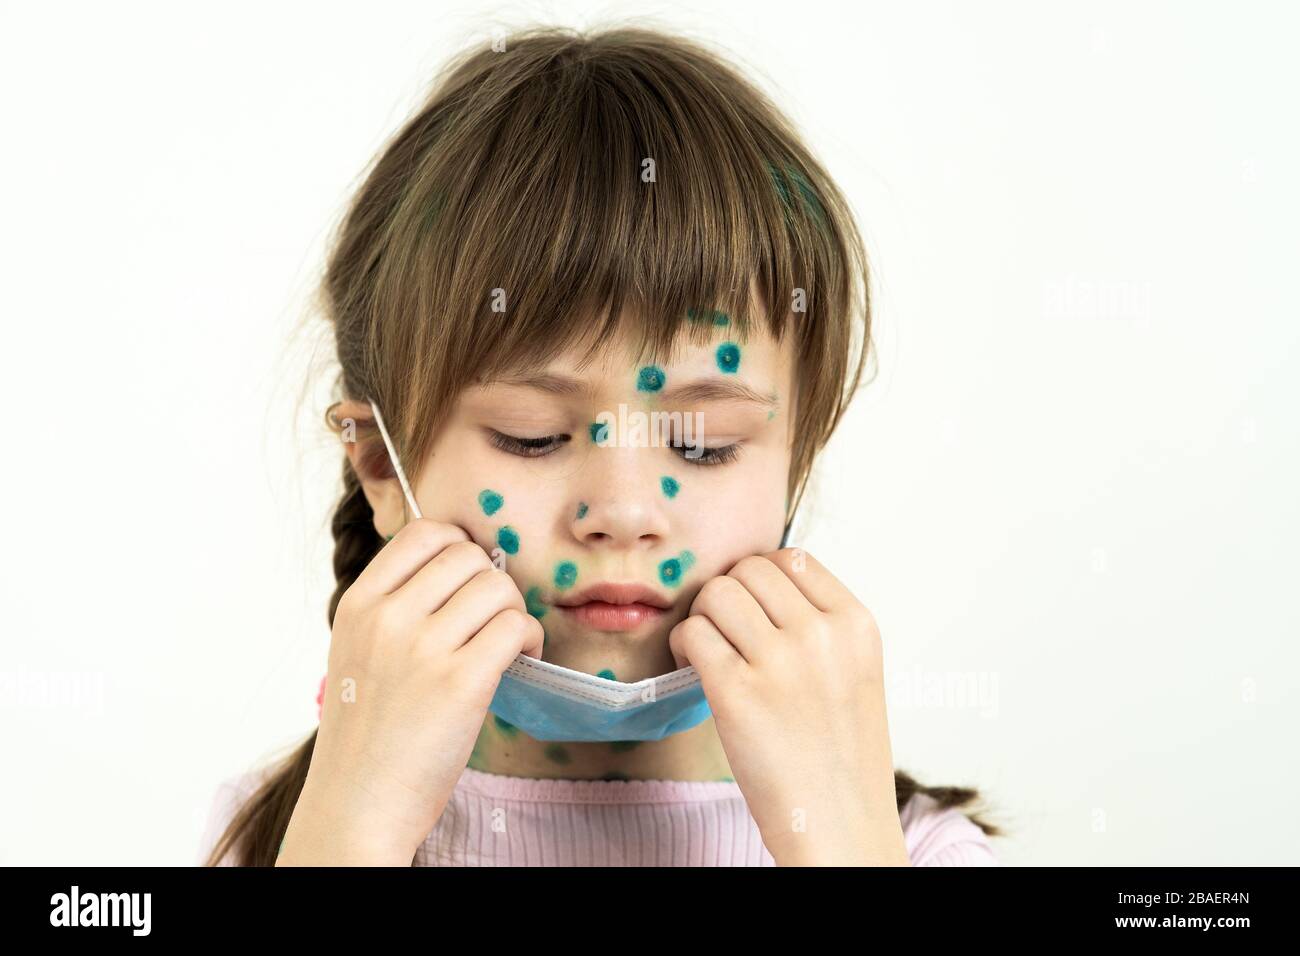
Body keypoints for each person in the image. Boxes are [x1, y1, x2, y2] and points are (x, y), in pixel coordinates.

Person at [199, 25, 1003, 867]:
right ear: (379, 464)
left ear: (797, 461)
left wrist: (841, 839)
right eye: (532, 436)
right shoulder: (282, 833)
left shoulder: (912, 851)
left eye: (704, 443)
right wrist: (355, 822)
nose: (622, 514)